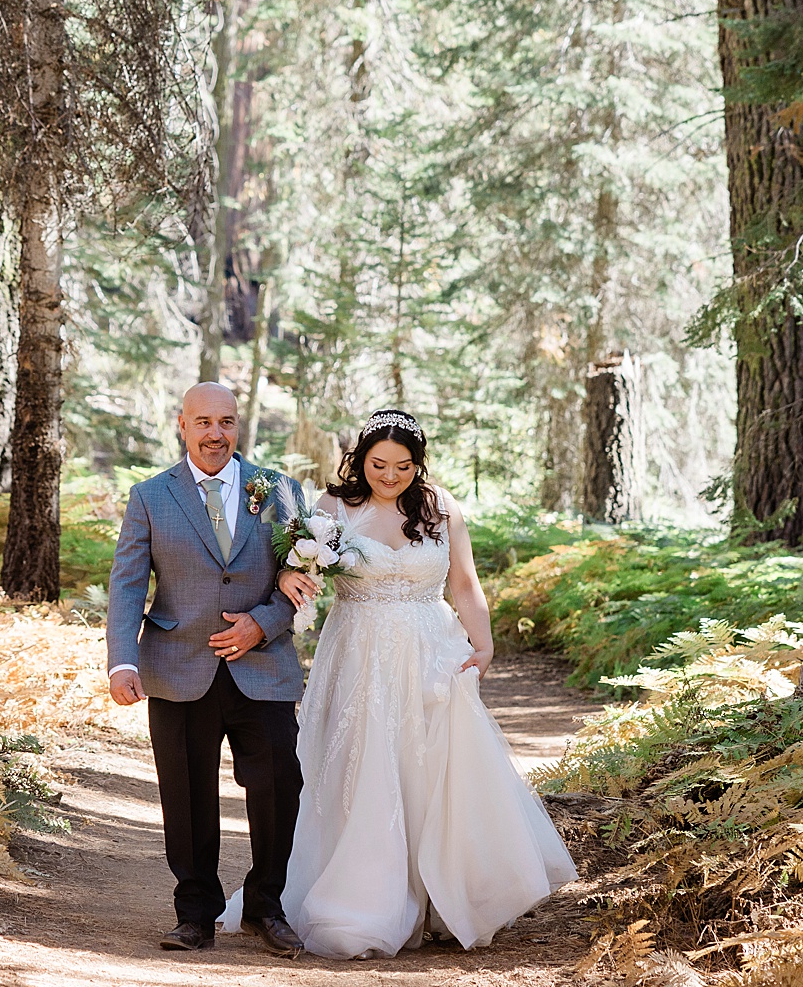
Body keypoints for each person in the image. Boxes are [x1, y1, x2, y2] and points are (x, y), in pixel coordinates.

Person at [235, 408, 575, 958]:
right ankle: (367, 897)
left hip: (431, 649)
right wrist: (289, 574)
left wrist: (482, 645)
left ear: (419, 464)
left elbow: (464, 583)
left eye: (403, 466)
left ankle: (442, 897)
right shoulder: (331, 510)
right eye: (378, 464)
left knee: (433, 767)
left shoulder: (440, 509)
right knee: (363, 764)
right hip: (357, 652)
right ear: (360, 458)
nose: (390, 476)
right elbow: (292, 570)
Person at [106, 383, 309, 956]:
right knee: (187, 793)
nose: (215, 434)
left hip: (262, 665)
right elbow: (126, 586)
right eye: (203, 422)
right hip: (177, 665)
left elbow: (300, 581)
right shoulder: (150, 496)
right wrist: (122, 661)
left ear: (238, 425)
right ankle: (195, 911)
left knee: (278, 786)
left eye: (226, 422)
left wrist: (260, 624)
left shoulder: (280, 492)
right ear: (182, 425)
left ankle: (266, 906)